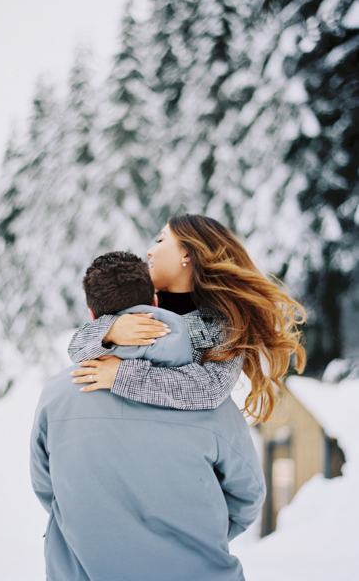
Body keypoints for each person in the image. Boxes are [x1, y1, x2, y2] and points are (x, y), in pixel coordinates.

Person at [31, 251, 266, 581]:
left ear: (92, 313)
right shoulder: (208, 400)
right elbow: (248, 494)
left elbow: (48, 488)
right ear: (155, 300)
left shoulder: (56, 396)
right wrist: (193, 534)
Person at [67, 214, 306, 424]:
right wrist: (109, 331)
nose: (149, 250)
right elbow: (77, 347)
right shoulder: (135, 304)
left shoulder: (223, 325)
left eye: (160, 240)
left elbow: (210, 389)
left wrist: (120, 375)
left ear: (187, 254)